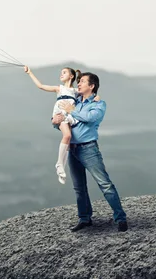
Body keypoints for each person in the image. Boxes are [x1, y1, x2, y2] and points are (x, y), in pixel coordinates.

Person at [53, 71, 128, 232]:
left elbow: (90, 118)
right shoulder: (75, 101)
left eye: (82, 82)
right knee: (79, 187)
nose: (78, 84)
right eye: (78, 81)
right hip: (72, 149)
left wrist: (72, 110)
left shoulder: (98, 104)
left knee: (105, 184)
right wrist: (56, 120)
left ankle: (121, 218)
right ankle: (84, 218)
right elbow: (62, 118)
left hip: (88, 149)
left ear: (92, 86)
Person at [23, 66, 99, 184]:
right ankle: (59, 165)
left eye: (64, 72)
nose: (61, 74)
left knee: (68, 141)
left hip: (69, 115)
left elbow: (88, 94)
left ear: (71, 76)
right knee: (67, 136)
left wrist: (96, 98)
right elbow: (41, 86)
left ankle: (60, 169)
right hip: (60, 114)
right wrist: (30, 73)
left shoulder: (75, 91)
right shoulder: (59, 88)